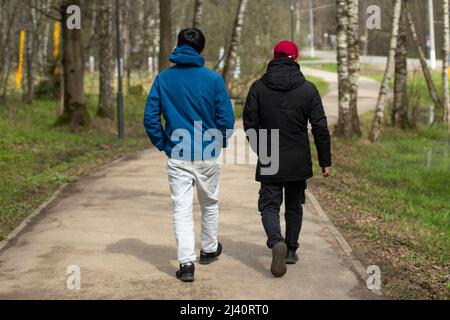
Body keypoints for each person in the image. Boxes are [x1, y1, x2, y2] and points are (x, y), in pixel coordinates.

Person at [144, 28, 235, 282]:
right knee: (209, 203)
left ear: (178, 46)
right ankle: (208, 249)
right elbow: (226, 118)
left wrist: (163, 144)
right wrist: (220, 142)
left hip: (178, 154)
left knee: (181, 209)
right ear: (201, 49)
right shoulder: (213, 79)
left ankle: (186, 264)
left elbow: (150, 117)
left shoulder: (163, 79)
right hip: (207, 152)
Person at [243, 40, 332, 278]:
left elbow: (250, 124)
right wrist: (325, 160)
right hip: (298, 156)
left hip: (270, 152)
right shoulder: (308, 89)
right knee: (294, 205)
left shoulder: (258, 87)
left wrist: (262, 149)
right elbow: (320, 127)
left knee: (269, 205)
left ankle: (276, 241)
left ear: (274, 58)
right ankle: (291, 249)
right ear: (297, 58)